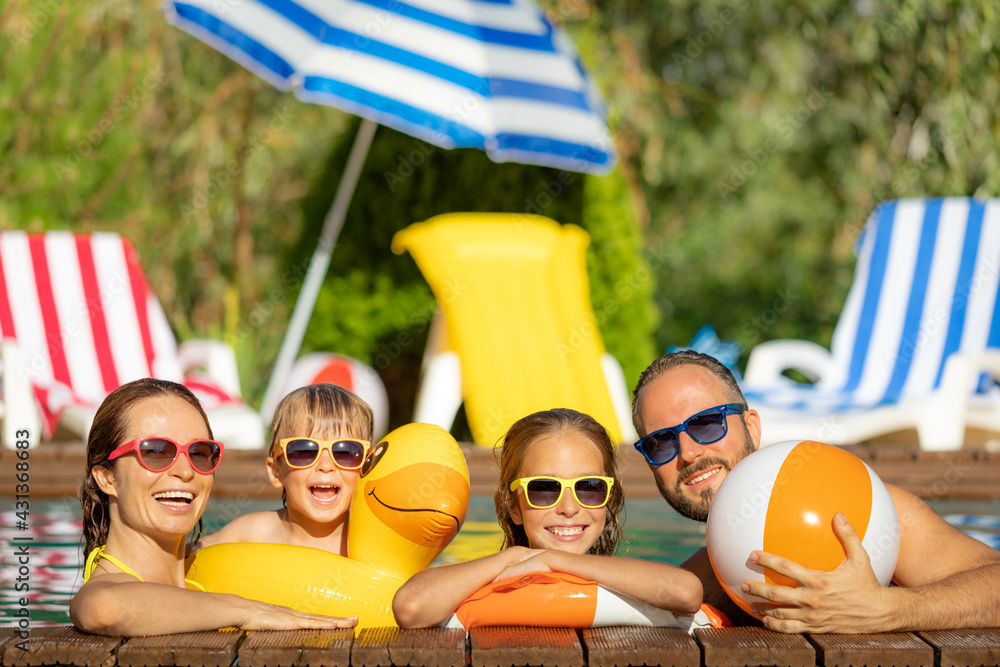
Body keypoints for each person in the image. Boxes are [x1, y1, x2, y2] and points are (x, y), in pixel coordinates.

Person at [631, 349, 1000, 633]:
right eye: (661, 442)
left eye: (707, 423)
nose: (689, 453)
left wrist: (887, 609)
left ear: (752, 428)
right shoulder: (705, 574)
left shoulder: (863, 507)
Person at [70, 378, 357, 636]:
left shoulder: (214, 569)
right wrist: (244, 610)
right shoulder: (109, 586)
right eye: (156, 451)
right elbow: (105, 609)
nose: (185, 471)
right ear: (107, 478)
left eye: (199, 453)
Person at [392, 408, 703, 628]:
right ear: (513, 505)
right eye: (544, 488)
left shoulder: (633, 580)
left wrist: (554, 561)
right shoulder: (490, 577)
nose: (569, 507)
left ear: (608, 501)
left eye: (589, 487)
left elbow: (686, 592)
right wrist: (517, 556)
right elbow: (411, 606)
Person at [196, 383, 373, 555]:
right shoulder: (251, 534)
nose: (326, 466)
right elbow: (183, 561)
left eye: (346, 452)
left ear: (368, 467)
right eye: (305, 450)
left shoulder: (371, 543)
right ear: (275, 471)